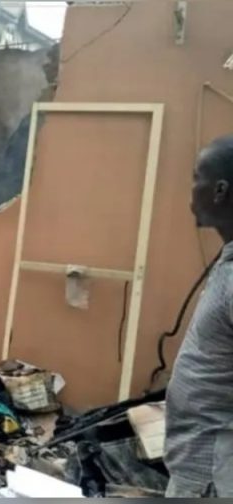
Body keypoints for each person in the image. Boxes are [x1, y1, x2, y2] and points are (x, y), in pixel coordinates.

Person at [165, 134, 233, 497]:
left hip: (213, 478)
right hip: (201, 471)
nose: (191, 190)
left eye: (196, 178)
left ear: (220, 191)